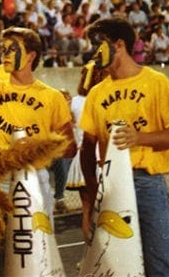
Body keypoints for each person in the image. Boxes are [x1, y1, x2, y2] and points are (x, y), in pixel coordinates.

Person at [79, 17, 169, 277]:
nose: (93, 53)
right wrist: (93, 191)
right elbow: (87, 146)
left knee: (157, 263)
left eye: (98, 45)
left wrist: (140, 138)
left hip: (147, 182)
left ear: (118, 45)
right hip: (111, 185)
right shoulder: (97, 92)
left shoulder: (156, 82)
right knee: (112, 265)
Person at [0, 27, 76, 224]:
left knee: (37, 247)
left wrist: (35, 150)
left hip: (35, 179)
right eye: (3, 49)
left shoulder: (52, 97)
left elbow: (70, 147)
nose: (4, 55)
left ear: (31, 55)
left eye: (11, 49)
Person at [65, 63, 107, 239]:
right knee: (104, 210)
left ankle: (88, 257)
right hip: (99, 157)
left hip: (81, 158)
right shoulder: (102, 98)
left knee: (87, 209)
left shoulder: (74, 102)